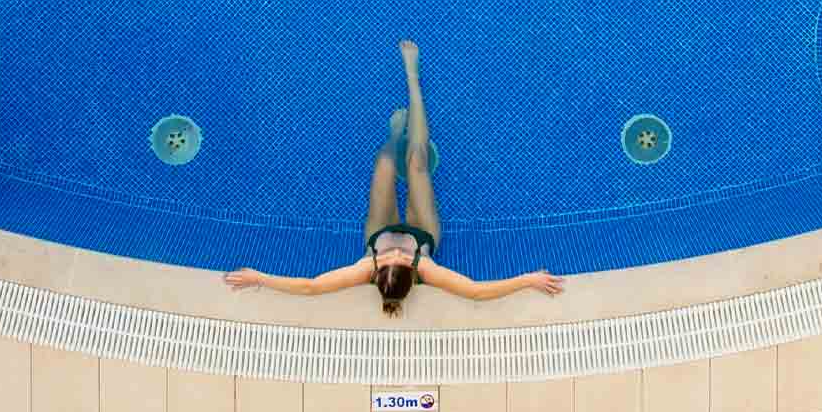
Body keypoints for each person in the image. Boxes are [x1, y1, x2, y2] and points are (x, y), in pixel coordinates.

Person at [224, 39, 566, 316]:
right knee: (417, 162)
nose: (396, 255)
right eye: (399, 260)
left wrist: (260, 278)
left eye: (390, 260)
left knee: (385, 163)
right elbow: (476, 291)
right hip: (422, 230)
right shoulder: (425, 268)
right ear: (414, 271)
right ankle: (413, 80)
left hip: (380, 231)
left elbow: (312, 286)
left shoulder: (367, 265)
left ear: (375, 271)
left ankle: (394, 134)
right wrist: (528, 279)